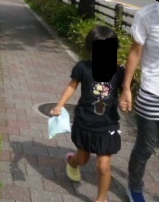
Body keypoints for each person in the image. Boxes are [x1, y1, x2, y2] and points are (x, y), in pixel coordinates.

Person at [51, 25, 125, 202]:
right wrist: (60, 105)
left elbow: (125, 91)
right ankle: (72, 162)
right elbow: (72, 86)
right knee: (83, 159)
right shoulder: (82, 67)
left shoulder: (119, 72)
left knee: (103, 166)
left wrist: (125, 99)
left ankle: (101, 198)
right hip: (85, 122)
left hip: (108, 125)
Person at [120, 0, 159, 202]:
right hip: (153, 91)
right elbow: (135, 53)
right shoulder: (146, 16)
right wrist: (126, 88)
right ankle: (134, 186)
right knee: (146, 147)